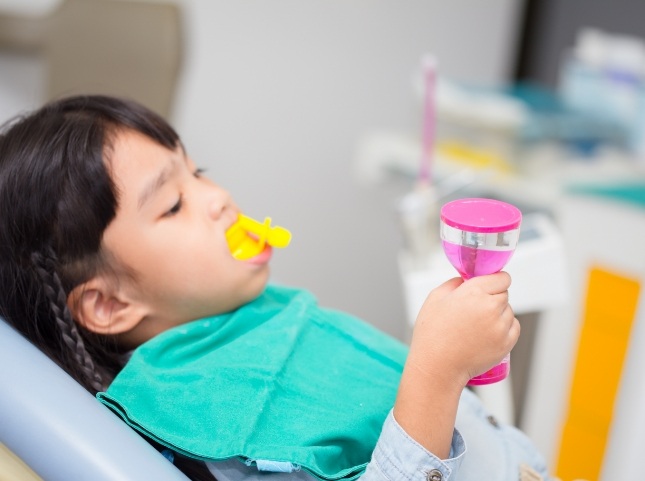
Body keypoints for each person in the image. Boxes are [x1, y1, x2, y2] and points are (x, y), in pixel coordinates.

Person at [0, 95, 552, 481]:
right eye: (173, 204)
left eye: (199, 172)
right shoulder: (216, 417)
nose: (216, 197)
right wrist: (438, 372)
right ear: (110, 302)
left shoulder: (247, 318)